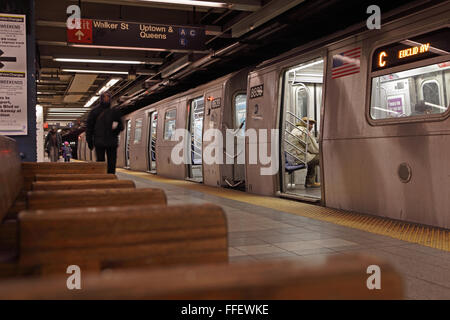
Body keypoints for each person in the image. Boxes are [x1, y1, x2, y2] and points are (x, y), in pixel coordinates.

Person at [86, 92, 124, 174]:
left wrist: (115, 131)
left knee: (110, 163)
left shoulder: (114, 111)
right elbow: (89, 127)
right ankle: (103, 178)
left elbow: (121, 126)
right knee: (103, 163)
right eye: (105, 97)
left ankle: (109, 179)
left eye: (108, 97)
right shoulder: (95, 112)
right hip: (102, 142)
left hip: (109, 142)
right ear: (101, 99)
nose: (106, 99)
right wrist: (89, 140)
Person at [286, 117, 320, 188]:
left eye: (312, 124)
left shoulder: (295, 130)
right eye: (310, 124)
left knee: (313, 158)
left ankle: (310, 182)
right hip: (298, 158)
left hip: (292, 158)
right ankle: (329, 181)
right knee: (321, 159)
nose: (312, 126)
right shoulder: (304, 131)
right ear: (304, 123)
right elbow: (313, 148)